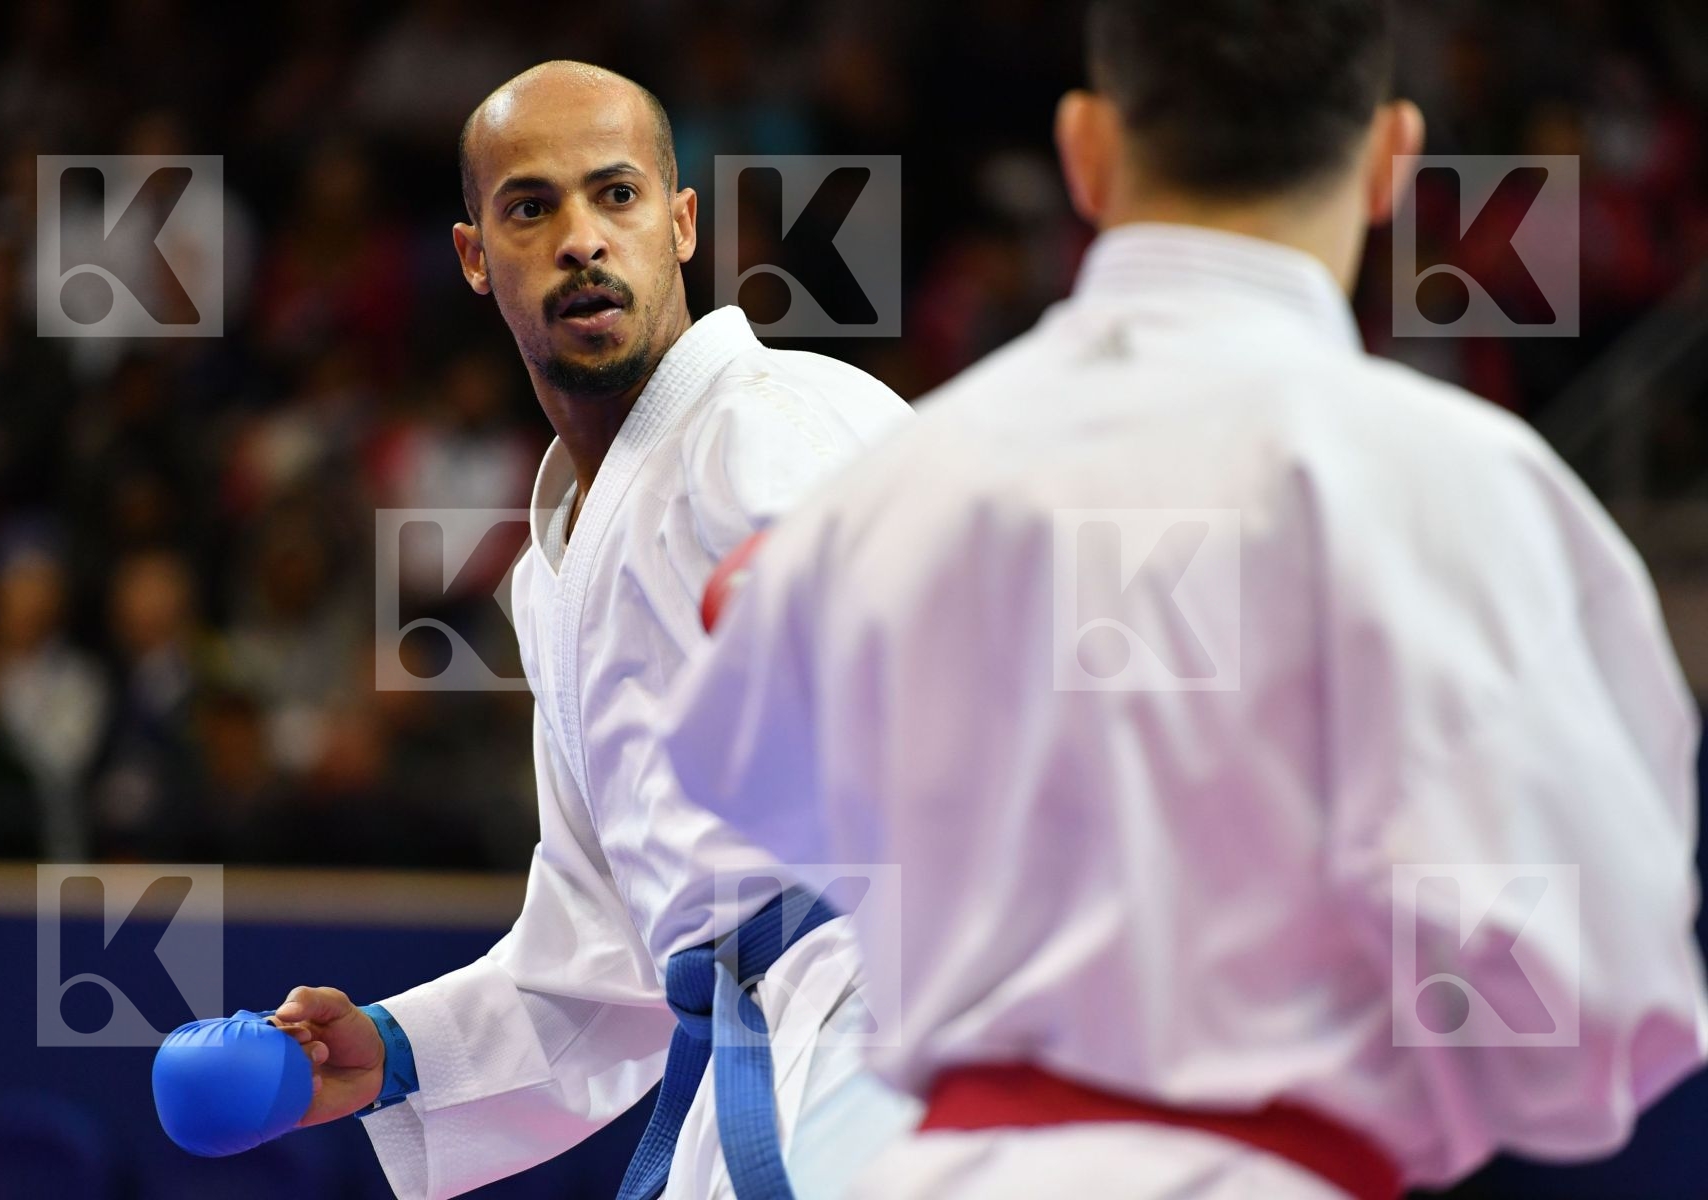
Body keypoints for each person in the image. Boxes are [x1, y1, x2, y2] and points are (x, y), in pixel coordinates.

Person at [656, 3, 1708, 1198]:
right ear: (1391, 158)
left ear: (1085, 149)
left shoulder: (890, 489)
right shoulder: (1467, 491)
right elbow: (1596, 994)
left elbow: (738, 785)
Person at [267, 61, 916, 1200]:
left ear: (679, 226)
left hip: (910, 1052)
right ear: (474, 256)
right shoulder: (555, 569)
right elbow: (609, 948)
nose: (581, 239)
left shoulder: (776, 431)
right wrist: (398, 1050)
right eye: (532, 206)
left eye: (615, 196)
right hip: (767, 1079)